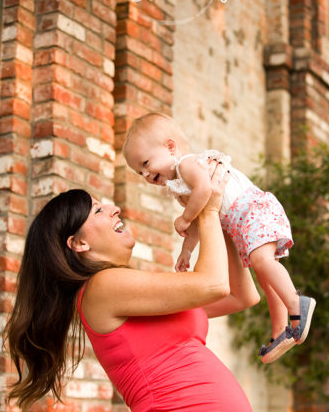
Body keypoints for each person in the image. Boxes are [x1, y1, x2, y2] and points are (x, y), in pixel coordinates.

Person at [4, 173, 258, 412]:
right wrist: (208, 211)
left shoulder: (134, 294)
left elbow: (242, 296)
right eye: (98, 210)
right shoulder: (102, 287)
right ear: (79, 244)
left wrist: (221, 217)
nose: (114, 208)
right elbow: (213, 284)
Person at [122, 112, 315, 364]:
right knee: (265, 274)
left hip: (252, 210)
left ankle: (297, 302)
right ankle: (280, 330)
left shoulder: (186, 165)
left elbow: (205, 190)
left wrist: (185, 218)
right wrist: (186, 251)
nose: (146, 175)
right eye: (140, 172)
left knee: (262, 262)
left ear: (170, 147)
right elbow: (198, 221)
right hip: (240, 222)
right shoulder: (179, 187)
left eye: (146, 164)